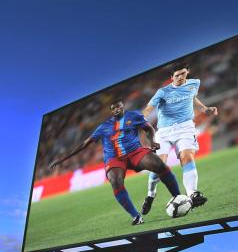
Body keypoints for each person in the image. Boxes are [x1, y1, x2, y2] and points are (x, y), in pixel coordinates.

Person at [50, 100, 181, 225]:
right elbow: (85, 143)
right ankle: (136, 216)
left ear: (123, 106)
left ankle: (178, 198)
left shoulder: (134, 115)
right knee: (115, 182)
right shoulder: (103, 127)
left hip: (135, 151)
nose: (116, 109)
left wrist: (151, 141)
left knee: (159, 165)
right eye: (113, 108)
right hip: (114, 158)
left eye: (118, 106)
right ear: (111, 111)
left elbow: (148, 128)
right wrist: (63, 159)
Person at [141, 62, 218, 215]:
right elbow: (148, 109)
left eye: (183, 74)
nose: (180, 77)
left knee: (187, 157)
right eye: (177, 75)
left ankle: (192, 193)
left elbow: (193, 98)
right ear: (171, 77)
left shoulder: (194, 84)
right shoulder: (162, 92)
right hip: (164, 131)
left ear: (187, 73)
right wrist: (140, 120)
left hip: (185, 128)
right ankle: (150, 195)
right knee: (158, 166)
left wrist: (205, 109)